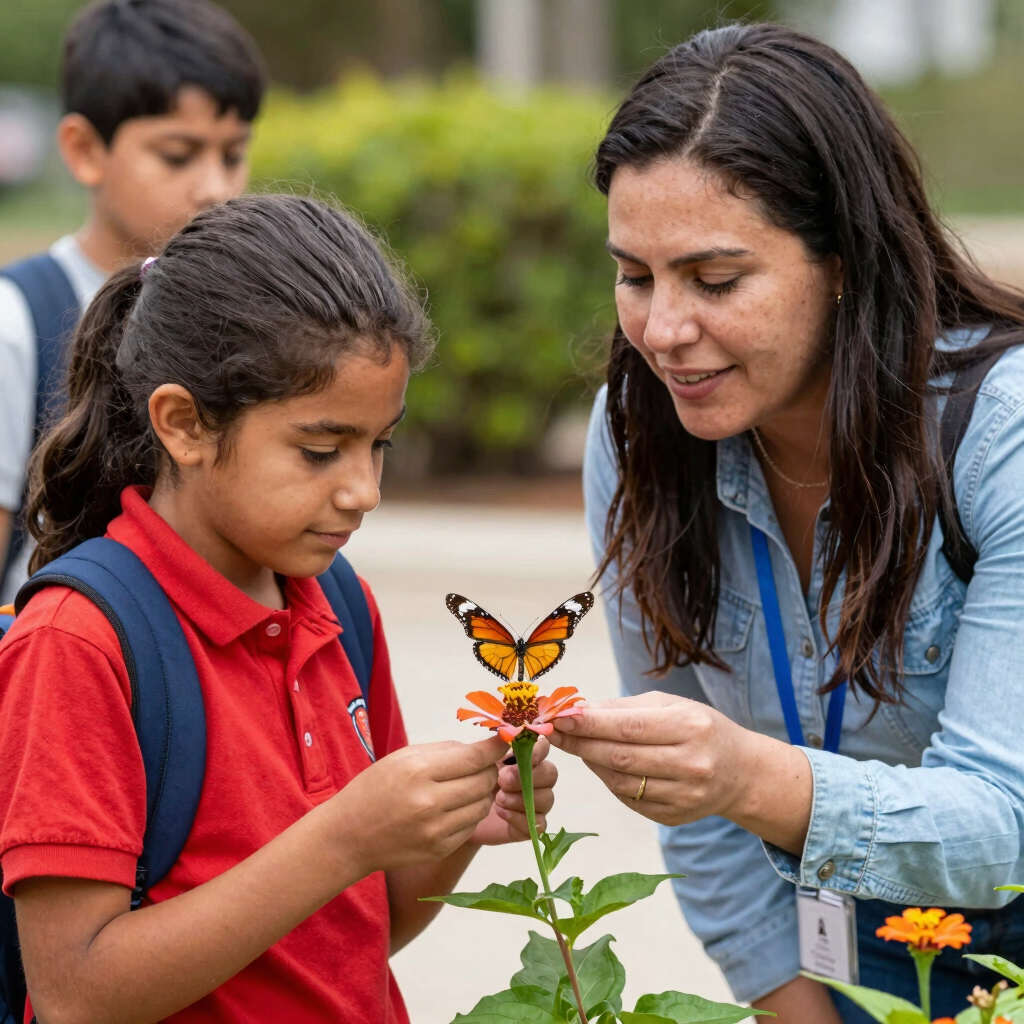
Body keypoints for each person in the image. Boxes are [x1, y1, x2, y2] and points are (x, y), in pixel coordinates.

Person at [551, 22, 1024, 1024]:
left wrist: (742, 772)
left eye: (715, 281)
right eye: (635, 276)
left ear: (844, 258)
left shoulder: (1001, 435)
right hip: (828, 950)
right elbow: (703, 818)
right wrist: (795, 1007)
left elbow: (997, 828)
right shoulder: (636, 428)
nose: (665, 331)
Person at [0, 193, 558, 1022]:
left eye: (381, 445)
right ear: (185, 424)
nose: (363, 490)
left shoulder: (338, 602)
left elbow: (362, 930)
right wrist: (345, 836)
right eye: (321, 449)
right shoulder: (79, 643)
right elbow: (78, 993)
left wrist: (454, 831)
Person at [0, 0, 265, 601]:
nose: (216, 186)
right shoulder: (17, 321)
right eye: (178, 154)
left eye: (233, 153)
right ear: (84, 149)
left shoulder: (247, 318)